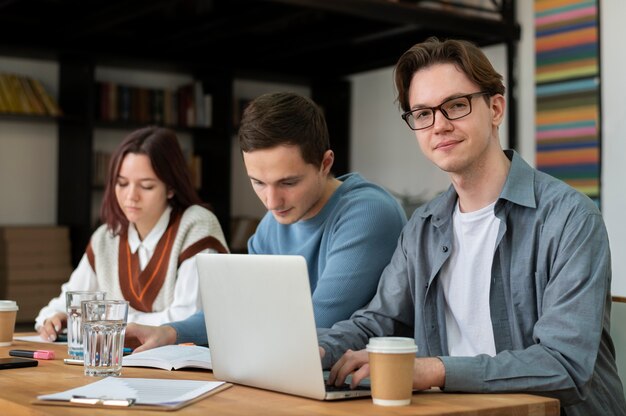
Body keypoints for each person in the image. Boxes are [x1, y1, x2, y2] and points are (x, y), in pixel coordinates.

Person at [319, 38, 626, 415]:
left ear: (495, 108)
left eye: (456, 105)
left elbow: (564, 366)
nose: (439, 125)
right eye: (422, 113)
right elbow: (378, 322)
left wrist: (432, 370)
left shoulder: (570, 219)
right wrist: (312, 350)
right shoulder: (424, 227)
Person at [125, 92, 407, 351]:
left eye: (288, 182)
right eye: (258, 182)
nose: (272, 202)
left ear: (325, 163)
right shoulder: (271, 226)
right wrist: (169, 332)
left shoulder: (368, 214)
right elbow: (239, 308)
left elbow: (315, 323)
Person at [36, 126, 229, 341]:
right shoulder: (106, 237)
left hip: (185, 368)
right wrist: (55, 319)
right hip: (120, 366)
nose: (130, 196)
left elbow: (187, 318)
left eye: (146, 186)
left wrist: (106, 318)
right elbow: (67, 303)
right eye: (122, 183)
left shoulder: (197, 225)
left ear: (171, 188)